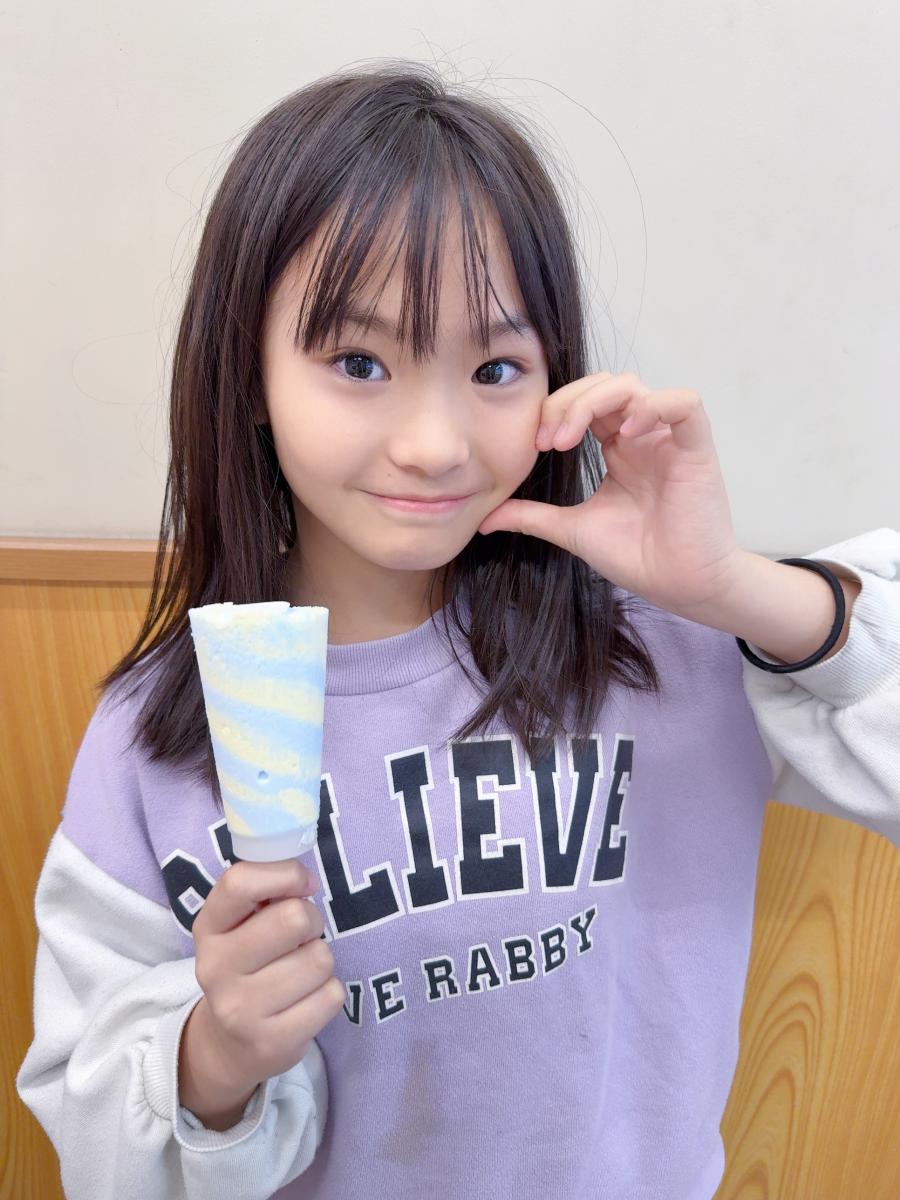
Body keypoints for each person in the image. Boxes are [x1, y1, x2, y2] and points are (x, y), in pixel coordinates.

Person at [15, 60, 899, 1200]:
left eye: (493, 367)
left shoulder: (661, 645)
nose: (433, 443)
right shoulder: (155, 740)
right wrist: (212, 1062)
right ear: (248, 373)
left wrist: (739, 590)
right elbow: (94, 1144)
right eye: (359, 363)